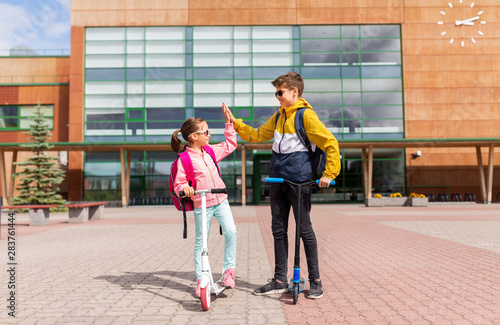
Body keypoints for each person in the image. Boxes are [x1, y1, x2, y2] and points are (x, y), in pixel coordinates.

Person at [225, 71, 341, 299]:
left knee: (304, 230)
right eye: (276, 93)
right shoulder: (279, 117)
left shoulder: (306, 116)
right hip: (277, 180)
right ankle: (279, 279)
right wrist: (235, 123)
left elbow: (330, 143)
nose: (277, 96)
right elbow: (258, 135)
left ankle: (315, 280)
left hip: (300, 182)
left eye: (280, 92)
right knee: (278, 230)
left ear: (294, 91)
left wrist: (329, 173)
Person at [171, 103, 238, 298]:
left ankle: (228, 272)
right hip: (202, 203)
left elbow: (230, 145)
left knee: (231, 232)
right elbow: (179, 184)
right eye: (206, 132)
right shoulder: (184, 159)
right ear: (194, 137)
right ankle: (202, 278)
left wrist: (229, 123)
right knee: (202, 242)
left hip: (221, 200)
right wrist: (185, 189)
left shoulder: (210, 151)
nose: (209, 135)